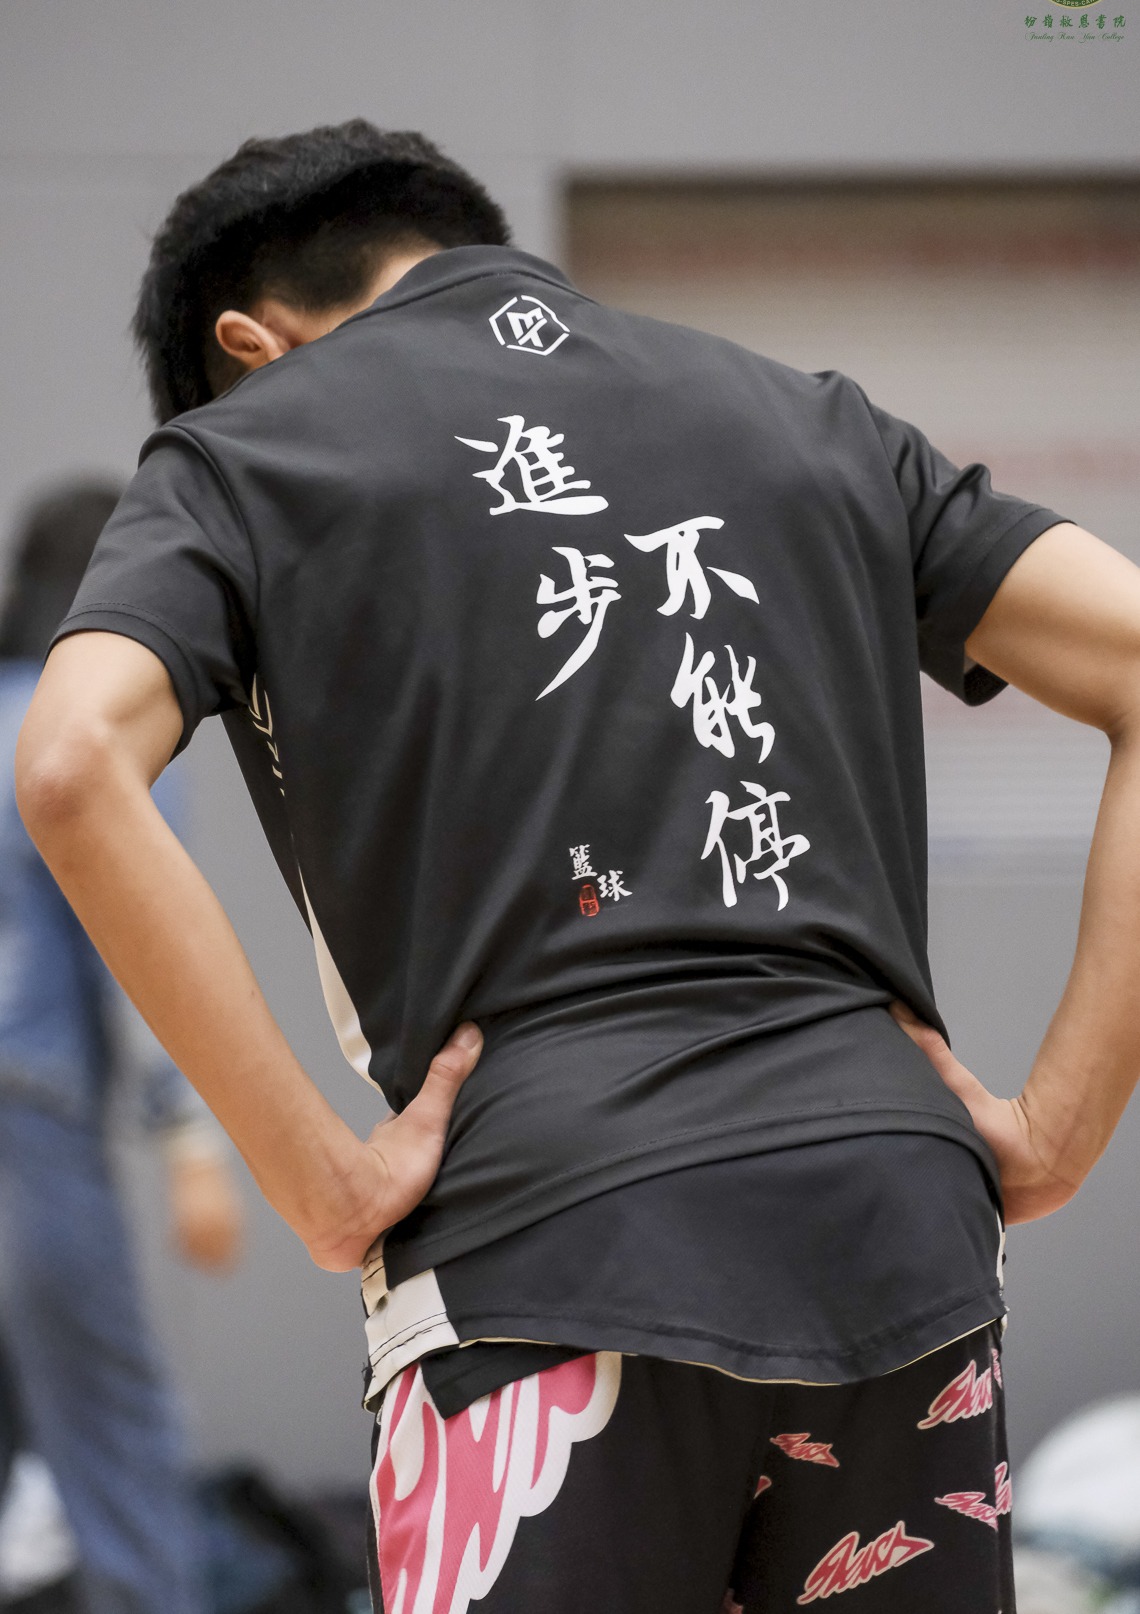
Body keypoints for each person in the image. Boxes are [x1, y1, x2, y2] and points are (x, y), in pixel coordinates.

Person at [12, 119, 1140, 1613]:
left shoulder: (249, 447)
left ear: (251, 345)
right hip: (896, 1237)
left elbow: (72, 763)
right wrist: (1061, 1124)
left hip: (541, 1252)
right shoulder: (811, 416)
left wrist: (316, 1181)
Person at [0, 479, 244, 1614]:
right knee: (115, 1433)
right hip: (27, 1118)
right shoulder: (86, 724)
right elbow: (142, 948)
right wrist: (196, 1151)